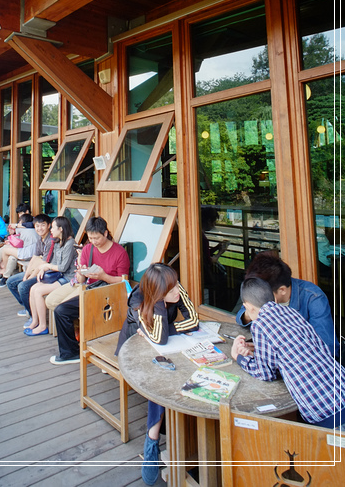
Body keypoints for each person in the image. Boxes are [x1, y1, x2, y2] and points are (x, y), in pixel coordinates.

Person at [116, 263, 200, 486]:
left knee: (184, 367)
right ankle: (152, 438)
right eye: (170, 291)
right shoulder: (138, 301)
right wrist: (161, 308)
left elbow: (193, 320)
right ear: (157, 292)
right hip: (135, 349)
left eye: (175, 287)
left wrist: (165, 329)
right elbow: (159, 339)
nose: (177, 292)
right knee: (162, 375)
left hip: (164, 342)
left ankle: (185, 434)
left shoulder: (172, 286)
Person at [231, 277, 345, 428]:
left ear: (247, 306)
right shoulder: (291, 312)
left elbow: (265, 373)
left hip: (325, 409)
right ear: (273, 297)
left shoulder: (259, 325)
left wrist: (240, 358)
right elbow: (317, 347)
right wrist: (258, 353)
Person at [49, 216, 130, 366]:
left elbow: (124, 281)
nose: (93, 241)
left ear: (105, 233)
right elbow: (80, 281)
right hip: (91, 292)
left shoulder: (119, 253)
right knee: (61, 310)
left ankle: (73, 351)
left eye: (97, 238)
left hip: (110, 294)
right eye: (91, 237)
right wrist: (81, 271)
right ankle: (71, 352)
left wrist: (104, 276)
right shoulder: (88, 249)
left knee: (63, 310)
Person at [235, 251, 339, 357]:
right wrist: (250, 312)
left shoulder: (313, 298)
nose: (257, 296)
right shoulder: (261, 290)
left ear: (282, 290)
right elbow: (240, 316)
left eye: (260, 293)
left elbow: (328, 348)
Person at [24, 216, 77, 336]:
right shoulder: (58, 242)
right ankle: (35, 321)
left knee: (38, 291)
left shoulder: (70, 243)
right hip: (59, 276)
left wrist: (47, 266)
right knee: (33, 289)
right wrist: (44, 267)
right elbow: (54, 263)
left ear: (61, 229)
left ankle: (43, 326)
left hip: (68, 279)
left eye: (53, 227)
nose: (51, 230)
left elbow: (63, 267)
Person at [6, 214, 53, 318]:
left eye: (43, 225)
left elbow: (43, 264)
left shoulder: (50, 241)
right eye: (37, 226)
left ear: (49, 226)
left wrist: (29, 278)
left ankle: (32, 314)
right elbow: (34, 258)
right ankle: (29, 307)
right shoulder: (39, 239)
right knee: (10, 282)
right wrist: (26, 275)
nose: (40, 228)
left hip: (48, 273)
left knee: (23, 286)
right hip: (38, 270)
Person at [0, 214, 39, 287]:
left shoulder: (29, 227)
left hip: (22, 250)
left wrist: (15, 227)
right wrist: (10, 238)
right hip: (16, 246)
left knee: (11, 258)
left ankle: (5, 276)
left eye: (20, 220)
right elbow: (16, 239)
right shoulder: (23, 229)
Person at [201, 206, 228, 308]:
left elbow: (203, 253)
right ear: (208, 221)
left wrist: (216, 247)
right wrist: (220, 252)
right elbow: (211, 261)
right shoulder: (203, 239)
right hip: (206, 275)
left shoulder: (198, 234)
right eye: (214, 221)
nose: (214, 224)